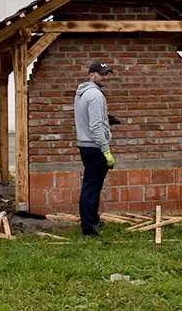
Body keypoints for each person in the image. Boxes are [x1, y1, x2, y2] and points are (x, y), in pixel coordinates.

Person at [74, 61, 116, 237]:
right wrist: (106, 150)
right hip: (94, 146)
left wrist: (108, 120)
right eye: (101, 74)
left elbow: (90, 118)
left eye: (106, 74)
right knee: (91, 188)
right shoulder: (96, 95)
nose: (105, 77)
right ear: (91, 74)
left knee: (93, 186)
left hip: (85, 144)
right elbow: (96, 126)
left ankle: (94, 220)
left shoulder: (81, 93)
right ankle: (88, 229)